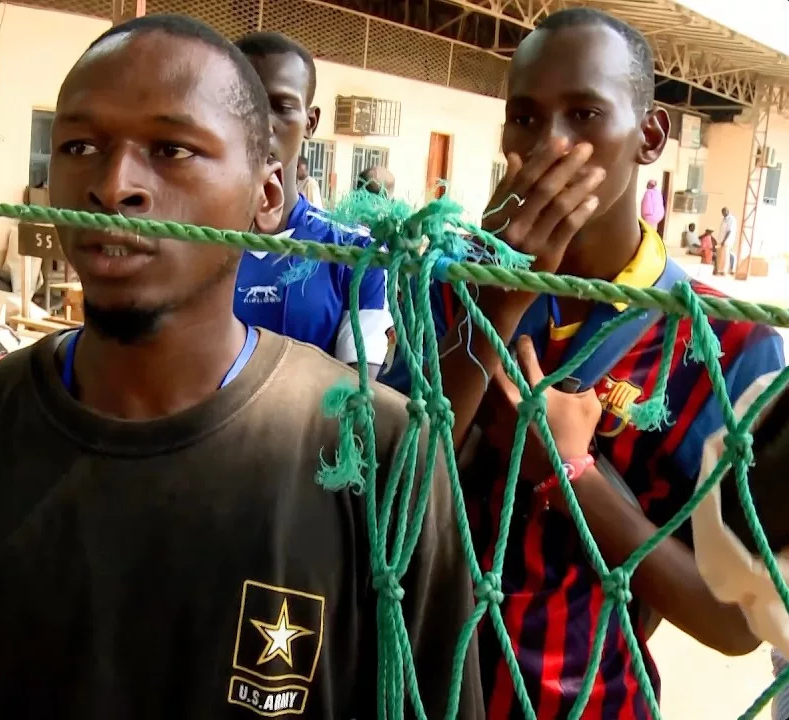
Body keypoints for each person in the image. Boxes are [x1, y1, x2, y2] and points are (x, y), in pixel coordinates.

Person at [0, 15, 482, 720]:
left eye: (171, 149)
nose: (115, 186)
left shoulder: (375, 451)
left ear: (266, 195)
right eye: (81, 145)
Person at [379, 8, 784, 718]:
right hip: (410, 685)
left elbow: (735, 623)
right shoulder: (446, 289)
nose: (550, 147)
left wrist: (572, 473)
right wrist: (496, 310)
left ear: (649, 138)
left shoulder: (728, 344)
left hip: (589, 699)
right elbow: (378, 496)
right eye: (526, 119)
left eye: (585, 114)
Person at [233, 31, 392, 376]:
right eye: (244, 104)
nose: (261, 122)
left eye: (281, 106)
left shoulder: (356, 251)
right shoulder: (191, 240)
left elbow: (357, 392)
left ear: (311, 122)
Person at [718, 206, 737, 275]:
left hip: (727, 241)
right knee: (722, 256)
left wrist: (724, 240)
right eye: (722, 212)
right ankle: (721, 270)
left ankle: (724, 271)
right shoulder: (724, 219)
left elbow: (729, 231)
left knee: (726, 256)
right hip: (722, 240)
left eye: (724, 212)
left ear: (728, 211)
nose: (723, 213)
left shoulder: (731, 219)